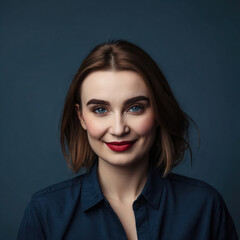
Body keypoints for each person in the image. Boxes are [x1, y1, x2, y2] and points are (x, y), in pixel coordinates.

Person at [17, 40, 238, 240]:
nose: (118, 128)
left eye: (135, 108)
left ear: (158, 112)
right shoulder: (45, 212)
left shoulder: (205, 206)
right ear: (81, 117)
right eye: (101, 109)